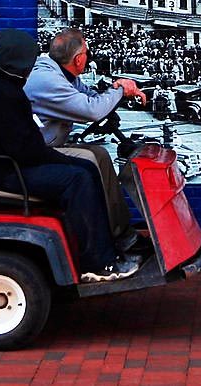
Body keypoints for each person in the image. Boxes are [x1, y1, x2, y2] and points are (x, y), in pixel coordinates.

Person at [0, 29, 138, 282]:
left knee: (87, 169)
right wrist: (57, 159)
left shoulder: (1, 85)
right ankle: (98, 263)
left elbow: (26, 144)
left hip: (14, 161)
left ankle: (108, 245)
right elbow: (24, 149)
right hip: (6, 170)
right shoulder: (6, 94)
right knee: (78, 178)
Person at [24, 27, 146, 252]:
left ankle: (121, 231)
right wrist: (121, 91)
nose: (89, 57)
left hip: (48, 145)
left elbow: (90, 97)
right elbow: (92, 110)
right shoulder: (48, 80)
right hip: (40, 152)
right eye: (87, 53)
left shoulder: (61, 73)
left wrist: (114, 90)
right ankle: (113, 237)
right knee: (91, 162)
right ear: (79, 59)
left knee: (99, 154)